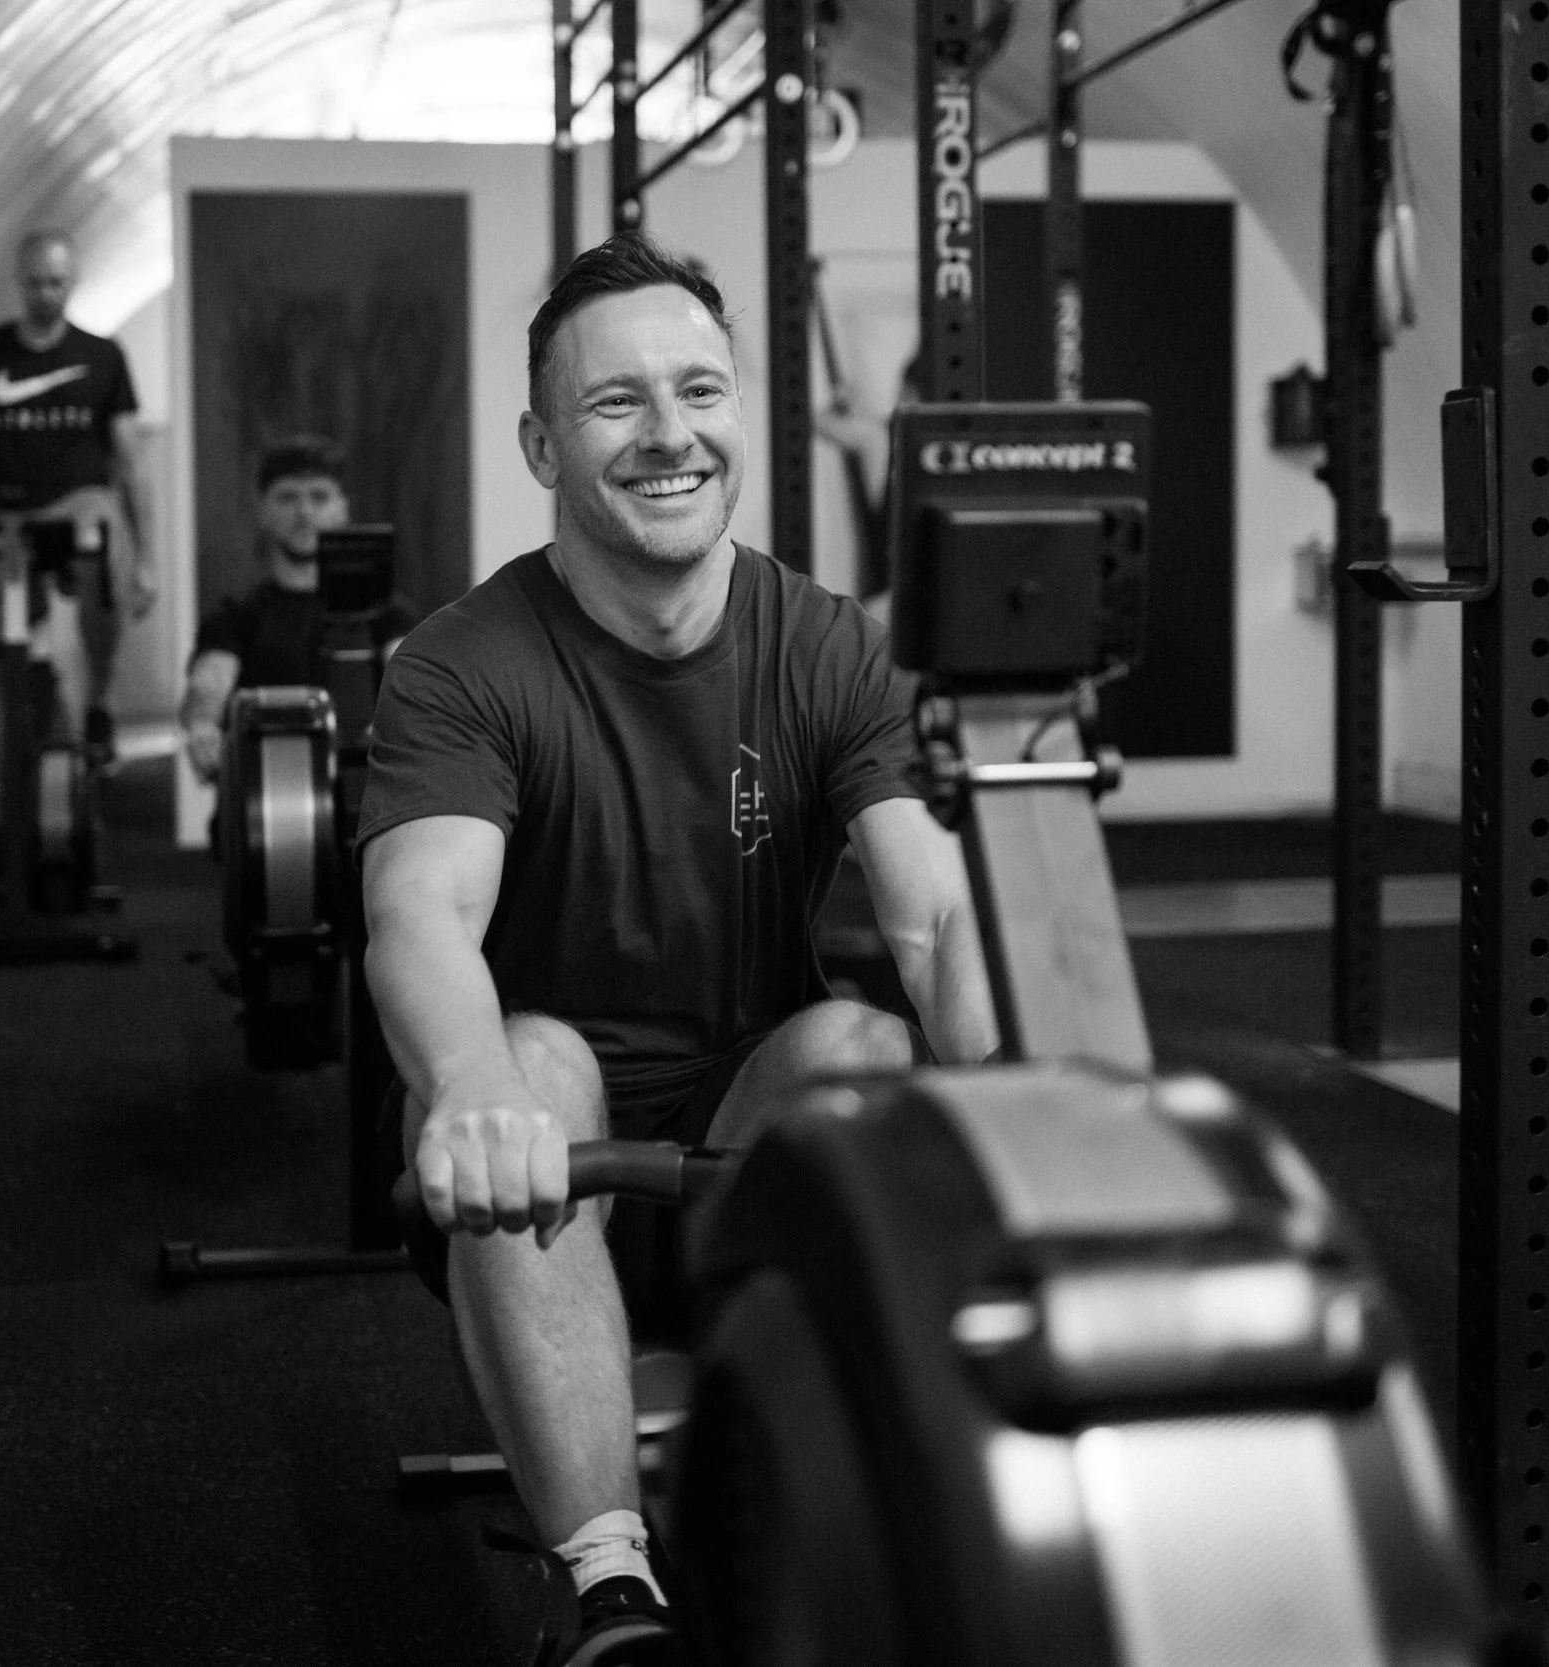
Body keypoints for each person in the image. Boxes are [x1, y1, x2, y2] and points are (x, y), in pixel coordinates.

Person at [356, 234, 999, 1665]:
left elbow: (936, 910)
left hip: (741, 1154)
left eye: (699, 390)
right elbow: (424, 913)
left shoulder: (828, 643)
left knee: (862, 1047)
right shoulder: (464, 663)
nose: (669, 434)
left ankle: (846, 1513)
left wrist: (1044, 1114)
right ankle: (606, 1591)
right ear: (540, 442)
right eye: (614, 403)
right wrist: (468, 1089)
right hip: (535, 1168)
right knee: (535, 1050)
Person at [0, 228, 156, 842]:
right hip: (2, 517)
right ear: (19, 280)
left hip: (75, 508)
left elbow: (128, 461)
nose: (44, 293)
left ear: (73, 281)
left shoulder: (102, 355)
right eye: (34, 281)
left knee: (97, 522)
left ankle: (98, 702)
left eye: (56, 282)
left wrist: (146, 562)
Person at [179, 435, 418, 784]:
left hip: (366, 807)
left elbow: (409, 678)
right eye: (288, 497)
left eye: (319, 497)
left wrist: (406, 722)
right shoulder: (234, 618)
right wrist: (202, 726)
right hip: (265, 810)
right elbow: (210, 682)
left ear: (342, 509)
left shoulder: (389, 613)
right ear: (262, 510)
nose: (304, 512)